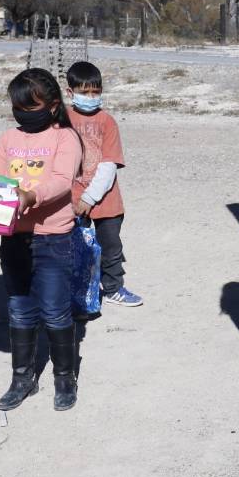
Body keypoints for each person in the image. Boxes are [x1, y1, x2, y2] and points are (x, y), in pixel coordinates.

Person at [0, 68, 84, 412]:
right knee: (19, 308)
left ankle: (64, 377)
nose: (23, 113)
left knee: (56, 311)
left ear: (53, 105)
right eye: (18, 107)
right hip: (14, 238)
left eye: (31, 107)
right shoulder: (7, 139)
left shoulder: (65, 138)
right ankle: (22, 378)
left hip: (52, 239)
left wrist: (30, 196)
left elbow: (62, 180)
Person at [64, 61, 142, 309]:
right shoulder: (62, 120)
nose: (91, 97)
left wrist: (90, 197)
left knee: (111, 247)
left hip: (106, 200)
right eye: (84, 92)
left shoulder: (108, 122)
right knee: (78, 249)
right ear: (70, 92)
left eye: (95, 92)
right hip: (71, 201)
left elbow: (108, 165)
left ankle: (113, 288)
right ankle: (81, 294)